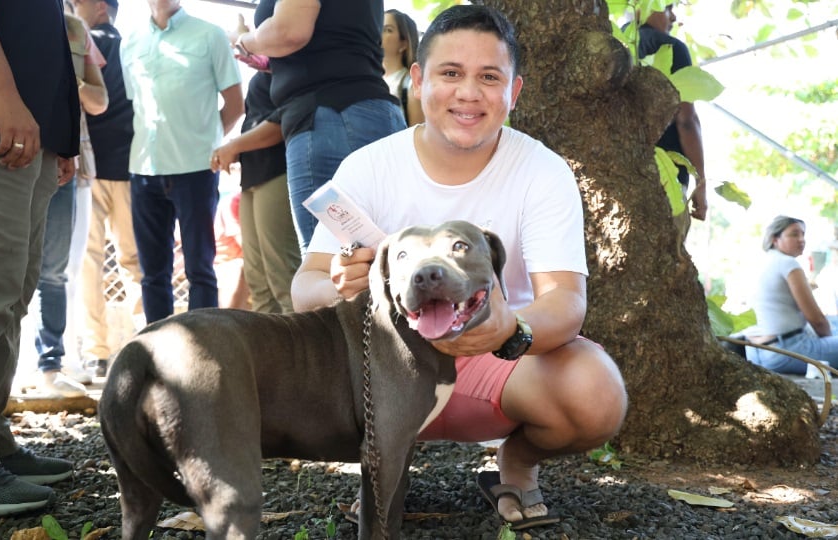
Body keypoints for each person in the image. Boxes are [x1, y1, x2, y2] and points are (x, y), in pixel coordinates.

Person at [291, 5, 628, 529]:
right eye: (451, 73)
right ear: (419, 81)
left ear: (513, 93)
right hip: (383, 364)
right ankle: (383, 467)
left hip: (490, 362)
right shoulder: (368, 165)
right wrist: (340, 285)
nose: (469, 93)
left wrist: (509, 330)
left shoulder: (543, 170)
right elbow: (304, 287)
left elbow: (565, 302)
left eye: (489, 78)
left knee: (595, 391)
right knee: (300, 363)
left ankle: (514, 464)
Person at [0, 0, 81, 516]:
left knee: (14, 294)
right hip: (1, 117)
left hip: (37, 131)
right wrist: (0, 94)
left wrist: (64, 134)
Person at [234, 0, 406, 252]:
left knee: (328, 264)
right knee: (390, 259)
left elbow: (289, 32)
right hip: (359, 111)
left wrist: (243, 40)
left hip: (332, 116)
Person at [121, 0, 243, 324]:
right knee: (152, 273)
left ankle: (202, 356)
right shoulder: (130, 41)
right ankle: (157, 358)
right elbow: (139, 105)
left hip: (196, 170)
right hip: (144, 171)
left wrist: (205, 144)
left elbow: (235, 105)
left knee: (200, 269)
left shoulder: (210, 35)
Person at [30, 5, 108, 398]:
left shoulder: (76, 29)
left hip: (71, 162)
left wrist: (67, 81)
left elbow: (100, 100)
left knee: (59, 271)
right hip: (16, 154)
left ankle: (52, 363)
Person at [73, 0, 142, 377]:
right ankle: (143, 343)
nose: (72, 6)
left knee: (90, 263)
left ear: (100, 6)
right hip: (130, 166)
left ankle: (97, 352)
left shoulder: (83, 46)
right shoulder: (134, 46)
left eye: (78, 1)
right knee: (135, 263)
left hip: (90, 167)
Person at [211, 70, 301, 314]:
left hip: (278, 170)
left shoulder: (293, 67)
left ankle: (303, 348)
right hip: (252, 174)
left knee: (281, 274)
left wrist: (234, 146)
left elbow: (281, 123)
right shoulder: (262, 72)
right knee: (257, 279)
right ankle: (269, 350)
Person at [637, 2, 708, 228]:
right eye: (667, 7)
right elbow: (686, 121)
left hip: (621, 174)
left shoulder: (612, 44)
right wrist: (701, 184)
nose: (673, 17)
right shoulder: (671, 47)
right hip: (668, 179)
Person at [746, 216, 838, 376]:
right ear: (775, 239)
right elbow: (817, 320)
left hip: (758, 352)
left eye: (803, 234)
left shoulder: (759, 263)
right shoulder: (788, 264)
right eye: (794, 234)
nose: (801, 239)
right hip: (786, 351)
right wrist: (828, 344)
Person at [382, 9, 424, 126]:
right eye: (378, 26)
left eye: (387, 30)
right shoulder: (371, 81)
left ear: (403, 44)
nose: (379, 33)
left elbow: (416, 134)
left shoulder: (411, 85)